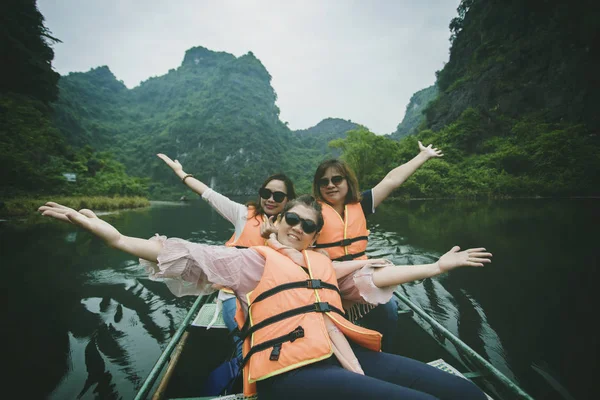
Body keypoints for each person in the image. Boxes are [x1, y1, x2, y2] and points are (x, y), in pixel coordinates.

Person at [39, 195, 491, 400]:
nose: (297, 227)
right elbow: (186, 254)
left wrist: (436, 267)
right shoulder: (251, 261)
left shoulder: (324, 267)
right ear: (279, 219)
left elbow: (378, 275)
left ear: (315, 236)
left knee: (462, 391)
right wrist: (116, 238)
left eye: (308, 225)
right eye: (291, 217)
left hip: (342, 357)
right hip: (287, 373)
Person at [158, 153, 296, 357]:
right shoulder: (242, 214)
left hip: (272, 294)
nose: (270, 199)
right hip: (234, 294)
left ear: (288, 200)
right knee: (245, 334)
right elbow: (208, 194)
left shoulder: (294, 227)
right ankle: (244, 375)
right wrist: (181, 173)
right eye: (266, 193)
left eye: (278, 196)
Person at [312, 141, 443, 351]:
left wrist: (423, 155)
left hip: (360, 274)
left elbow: (392, 180)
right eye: (323, 181)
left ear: (347, 181)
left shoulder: (361, 204)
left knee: (389, 308)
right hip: (328, 277)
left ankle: (384, 351)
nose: (330, 185)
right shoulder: (312, 211)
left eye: (336, 179)